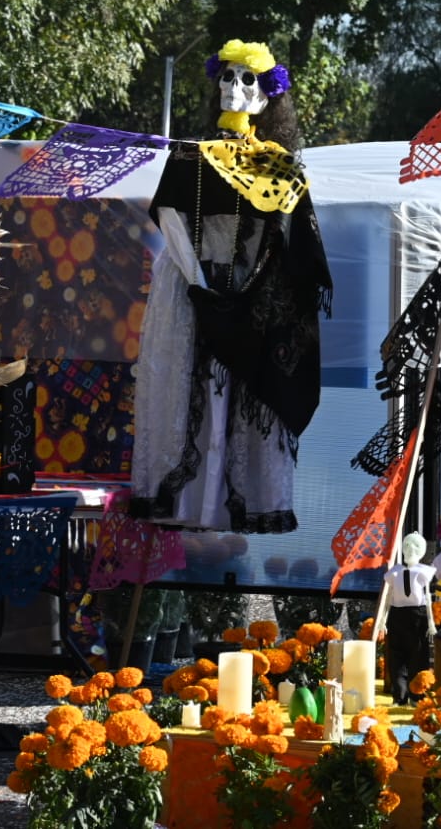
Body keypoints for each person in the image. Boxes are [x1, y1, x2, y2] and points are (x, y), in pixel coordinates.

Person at [131, 39, 331, 532]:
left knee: (241, 396)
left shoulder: (277, 166)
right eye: (226, 77)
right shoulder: (191, 159)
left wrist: (246, 293)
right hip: (188, 287)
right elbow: (174, 223)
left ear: (266, 96)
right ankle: (187, 503)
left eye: (246, 80)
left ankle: (230, 502)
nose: (232, 88)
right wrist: (200, 287)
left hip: (251, 294)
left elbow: (286, 241)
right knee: (189, 389)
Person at [383, 532, 437, 705]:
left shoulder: (424, 572)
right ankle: (400, 695)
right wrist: (382, 621)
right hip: (397, 614)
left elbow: (428, 597)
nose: (410, 550)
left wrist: (431, 622)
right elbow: (388, 598)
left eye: (415, 547)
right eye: (407, 546)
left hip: (417, 615)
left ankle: (416, 695)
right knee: (396, 656)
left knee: (418, 654)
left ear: (421, 551)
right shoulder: (395, 572)